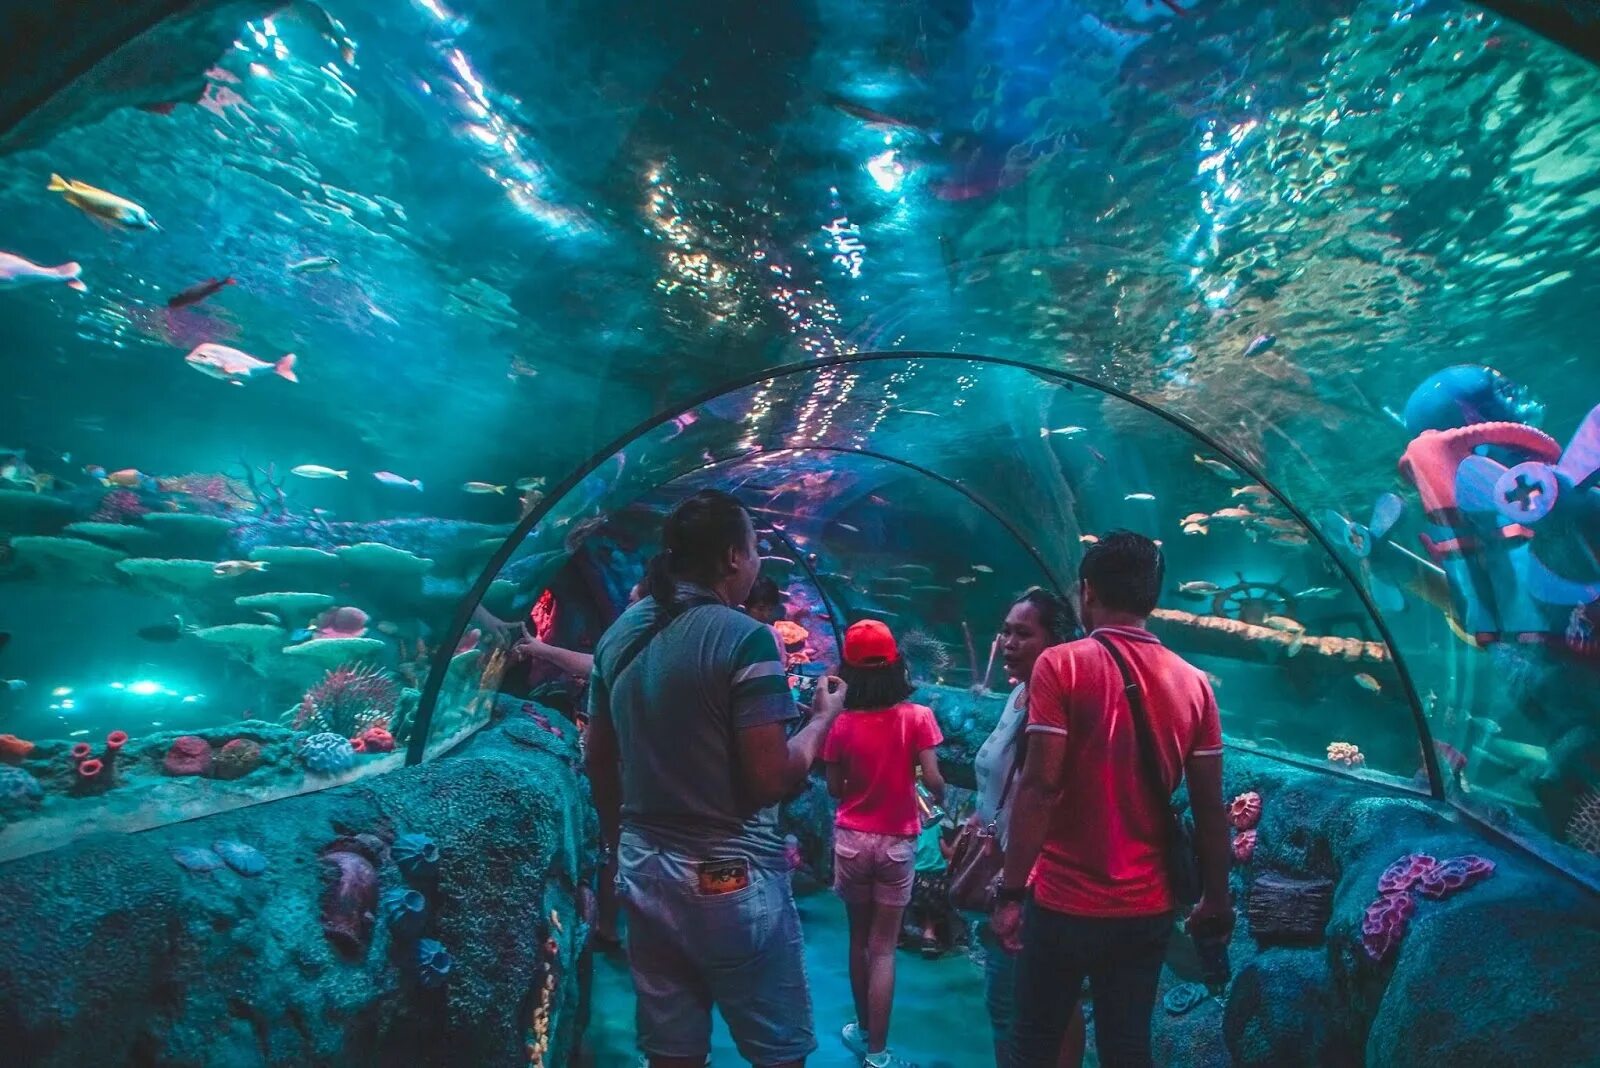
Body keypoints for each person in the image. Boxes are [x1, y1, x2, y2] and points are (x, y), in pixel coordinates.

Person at [585, 490, 849, 1068]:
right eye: (755, 548)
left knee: (672, 1051)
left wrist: (617, 844)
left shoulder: (619, 634)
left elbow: (598, 759)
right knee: (778, 1049)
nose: (757, 561)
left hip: (642, 868)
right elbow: (769, 779)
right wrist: (822, 722)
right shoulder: (746, 637)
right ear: (733, 557)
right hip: (727, 874)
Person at [992, 533, 1231, 1068]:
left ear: (1087, 591)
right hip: (1147, 906)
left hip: (1062, 902)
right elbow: (1209, 806)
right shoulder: (1194, 684)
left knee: (1031, 1040)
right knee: (1126, 1046)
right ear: (1152, 595)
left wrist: (1010, 894)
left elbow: (1040, 787)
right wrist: (1216, 896)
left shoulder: (1063, 666)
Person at [968, 589, 1084, 1068]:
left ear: (1055, 641)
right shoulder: (1018, 695)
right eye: (1006, 631)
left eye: (1023, 633)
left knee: (1034, 1005)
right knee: (1012, 1003)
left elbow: (1046, 794)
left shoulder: (1059, 705)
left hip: (1036, 878)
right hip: (1008, 865)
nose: (1009, 642)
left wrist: (1017, 886)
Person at [822, 620, 945, 1068]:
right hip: (897, 842)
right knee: (884, 947)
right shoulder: (918, 717)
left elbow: (835, 788)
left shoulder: (840, 724)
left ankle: (861, 1029)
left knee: (858, 940)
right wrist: (934, 789)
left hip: (853, 840)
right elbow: (933, 780)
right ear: (897, 664)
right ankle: (878, 1055)